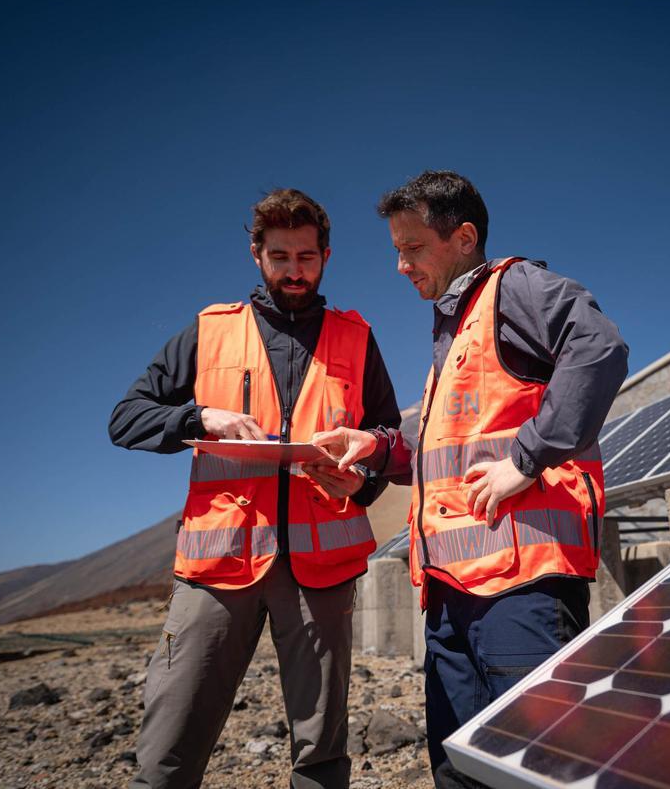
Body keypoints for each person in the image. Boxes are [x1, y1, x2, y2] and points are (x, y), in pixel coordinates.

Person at [314, 171, 628, 787]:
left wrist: (525, 459)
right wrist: (372, 447)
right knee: (461, 768)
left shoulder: (517, 289)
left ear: (462, 237)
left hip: (521, 589)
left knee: (536, 764)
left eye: (411, 249)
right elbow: (436, 452)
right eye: (395, 251)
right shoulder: (453, 332)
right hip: (450, 596)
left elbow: (598, 348)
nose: (400, 266)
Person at [109, 188, 401, 789]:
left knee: (321, 752)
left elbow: (388, 441)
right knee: (169, 745)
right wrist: (198, 418)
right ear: (256, 254)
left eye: (307, 258)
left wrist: (362, 480)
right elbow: (126, 418)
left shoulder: (356, 338)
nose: (295, 271)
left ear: (326, 256)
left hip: (321, 571)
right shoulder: (209, 332)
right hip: (217, 569)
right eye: (280, 257)